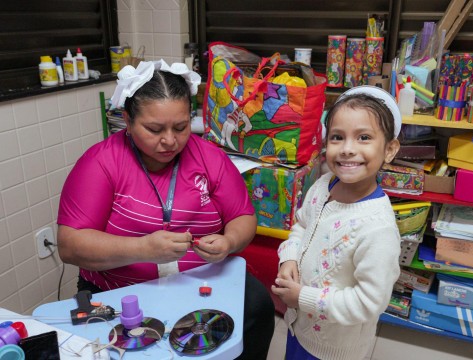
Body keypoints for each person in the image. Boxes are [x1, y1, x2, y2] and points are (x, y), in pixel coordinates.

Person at [57, 59, 275, 359]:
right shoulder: (100, 163)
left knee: (258, 305)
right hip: (119, 292)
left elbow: (242, 217)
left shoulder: (209, 157)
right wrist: (143, 249)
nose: (170, 141)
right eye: (154, 129)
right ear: (127, 120)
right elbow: (70, 246)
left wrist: (229, 242)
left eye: (181, 127)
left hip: (202, 285)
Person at [271, 86, 402, 360]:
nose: (347, 150)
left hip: (334, 350)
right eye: (337, 137)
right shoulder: (322, 185)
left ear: (389, 149)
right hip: (299, 328)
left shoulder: (378, 227)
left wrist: (302, 298)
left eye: (364, 137)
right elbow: (302, 225)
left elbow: (369, 302)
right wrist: (289, 258)